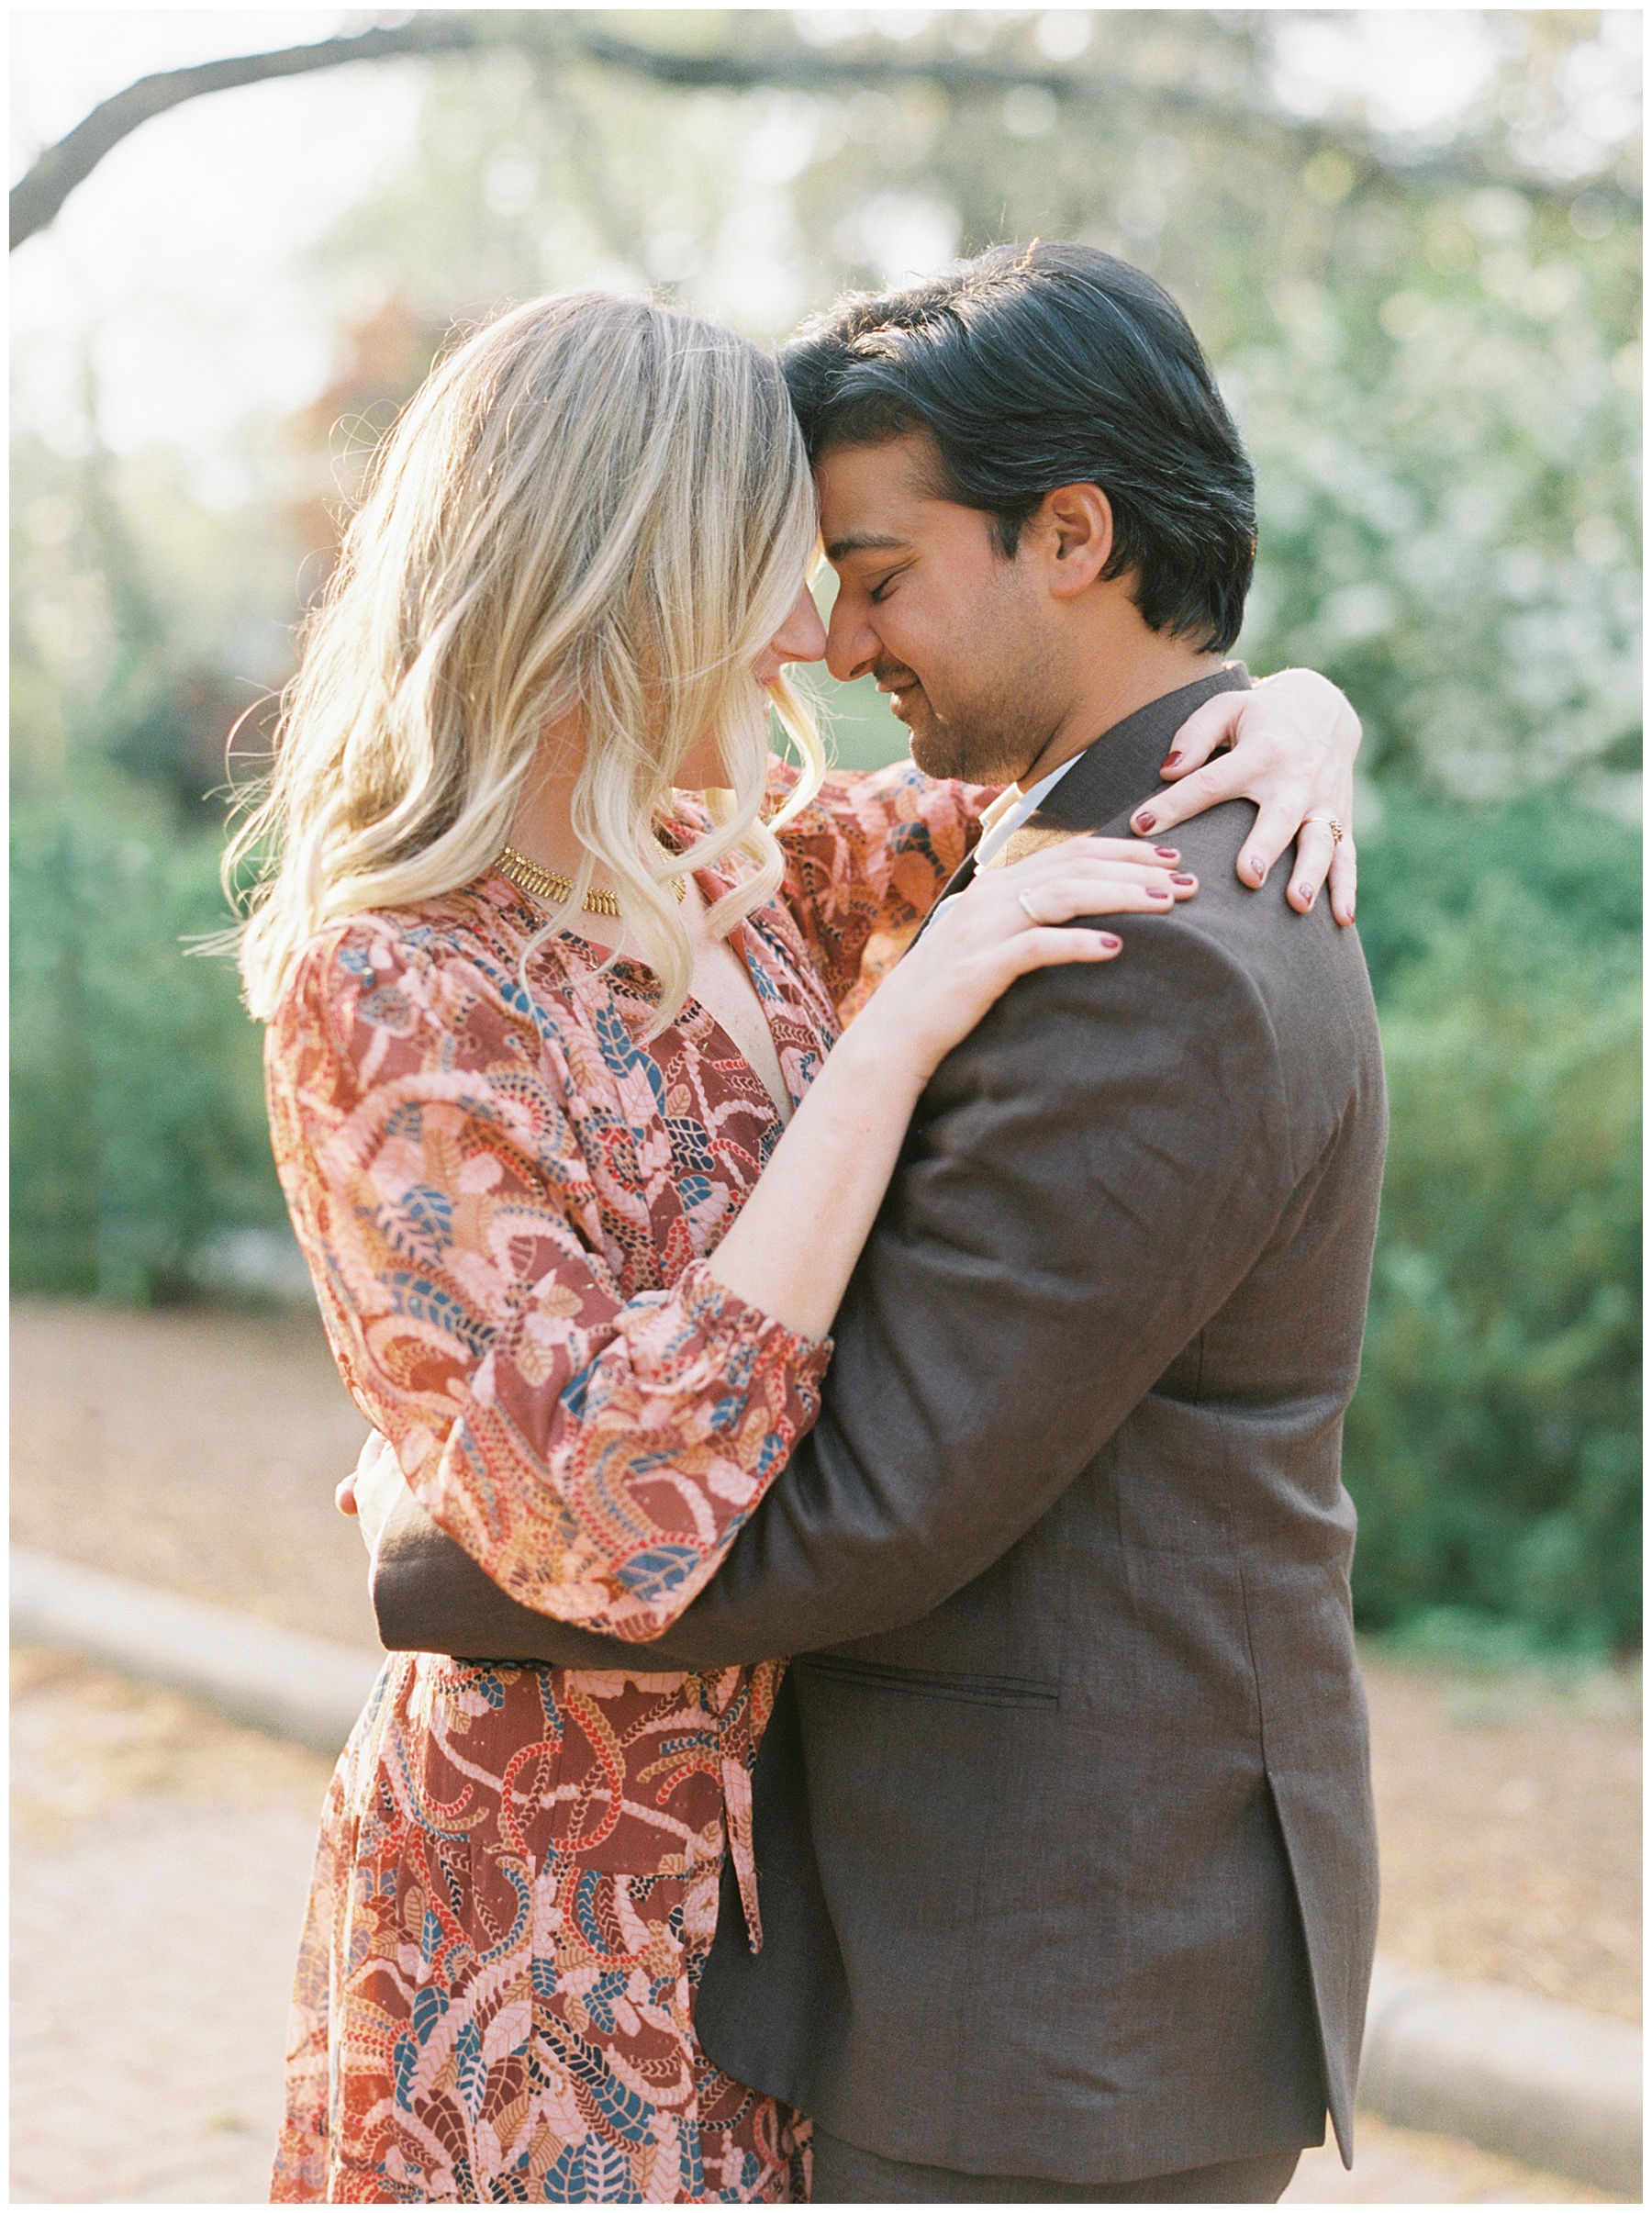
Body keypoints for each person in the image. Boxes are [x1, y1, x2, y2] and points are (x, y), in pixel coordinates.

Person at [250, 279, 1361, 2205]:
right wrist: (901, 1030)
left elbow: (1112, 762)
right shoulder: (392, 989)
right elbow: (601, 1513)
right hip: (557, 1900)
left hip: (792, 1921)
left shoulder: (739, 861)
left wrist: (1302, 712)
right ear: (613, 580)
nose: (814, 638)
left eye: (838, 573)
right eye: (771, 569)